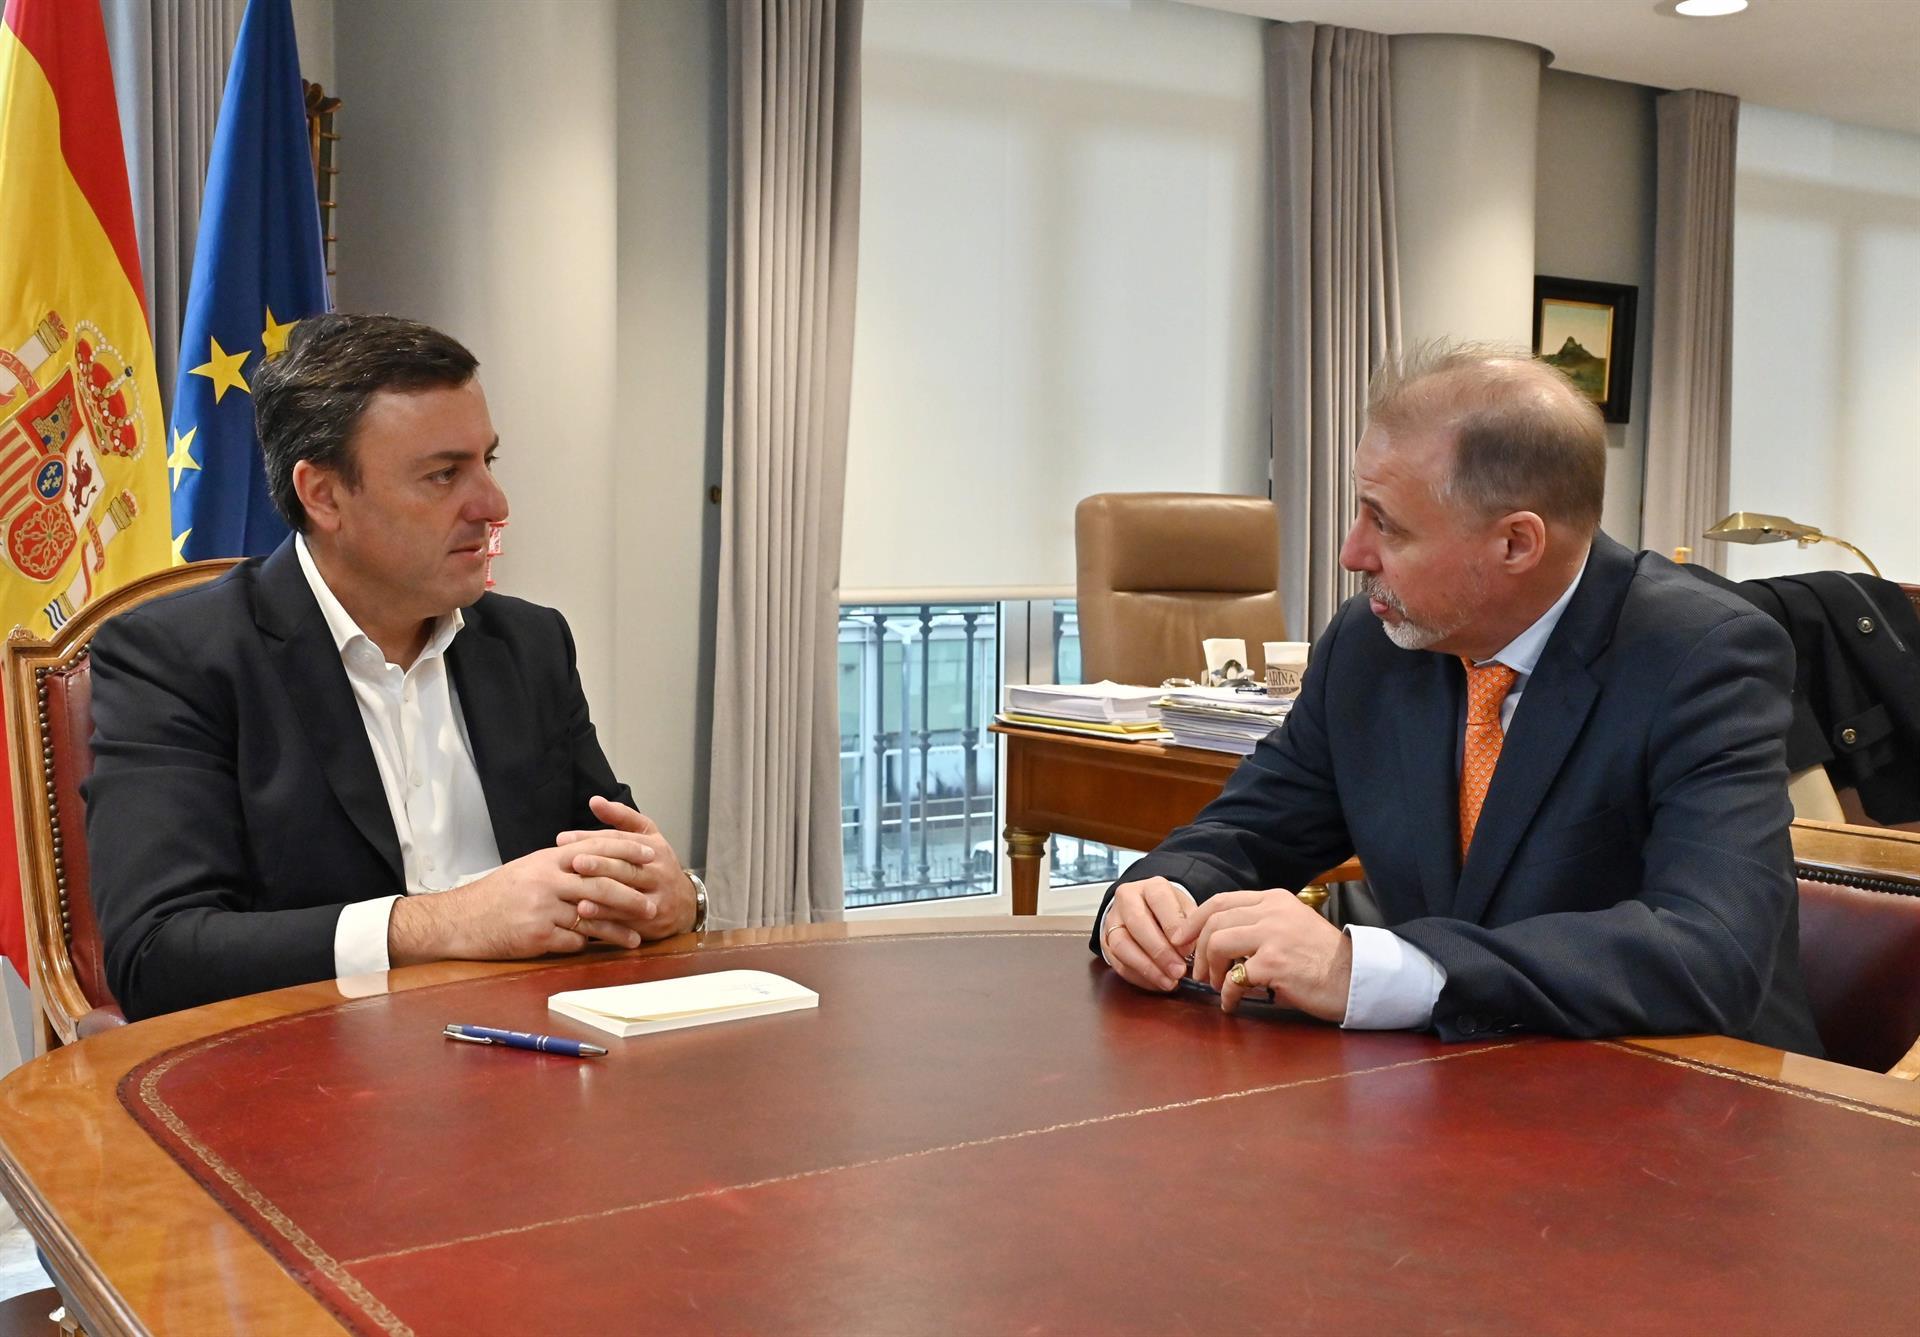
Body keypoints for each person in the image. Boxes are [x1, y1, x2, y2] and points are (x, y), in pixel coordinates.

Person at [1095, 343, 1822, 1054]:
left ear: (1515, 544)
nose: (1353, 553)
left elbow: (1711, 952)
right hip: (1455, 1097)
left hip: (1691, 1103)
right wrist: (1161, 898)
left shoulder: (1701, 657)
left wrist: (1370, 970)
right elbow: (1250, 831)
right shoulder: (1369, 647)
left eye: (1387, 523)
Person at [86, 314, 704, 1020]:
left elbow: (611, 865)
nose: (493, 506)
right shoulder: (178, 658)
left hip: (537, 1061)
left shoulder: (531, 645)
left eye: (487, 463)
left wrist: (676, 894)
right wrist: (443, 923)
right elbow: (158, 953)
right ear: (323, 495)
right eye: (444, 474)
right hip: (307, 1082)